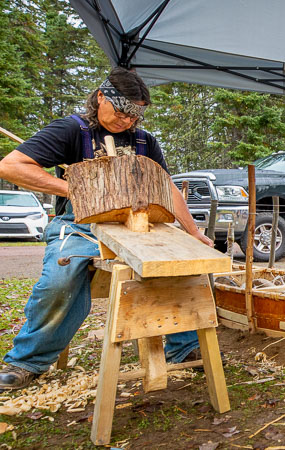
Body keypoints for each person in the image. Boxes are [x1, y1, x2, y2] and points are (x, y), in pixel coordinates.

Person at [0, 67, 213, 391]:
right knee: (61, 276)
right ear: (100, 97)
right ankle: (26, 361)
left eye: (133, 116)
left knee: (179, 268)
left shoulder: (144, 141)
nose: (126, 122)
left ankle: (183, 349)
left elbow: (166, 187)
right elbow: (11, 166)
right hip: (81, 225)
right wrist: (75, 189)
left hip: (140, 227)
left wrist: (194, 233)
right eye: (120, 112)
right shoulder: (71, 131)